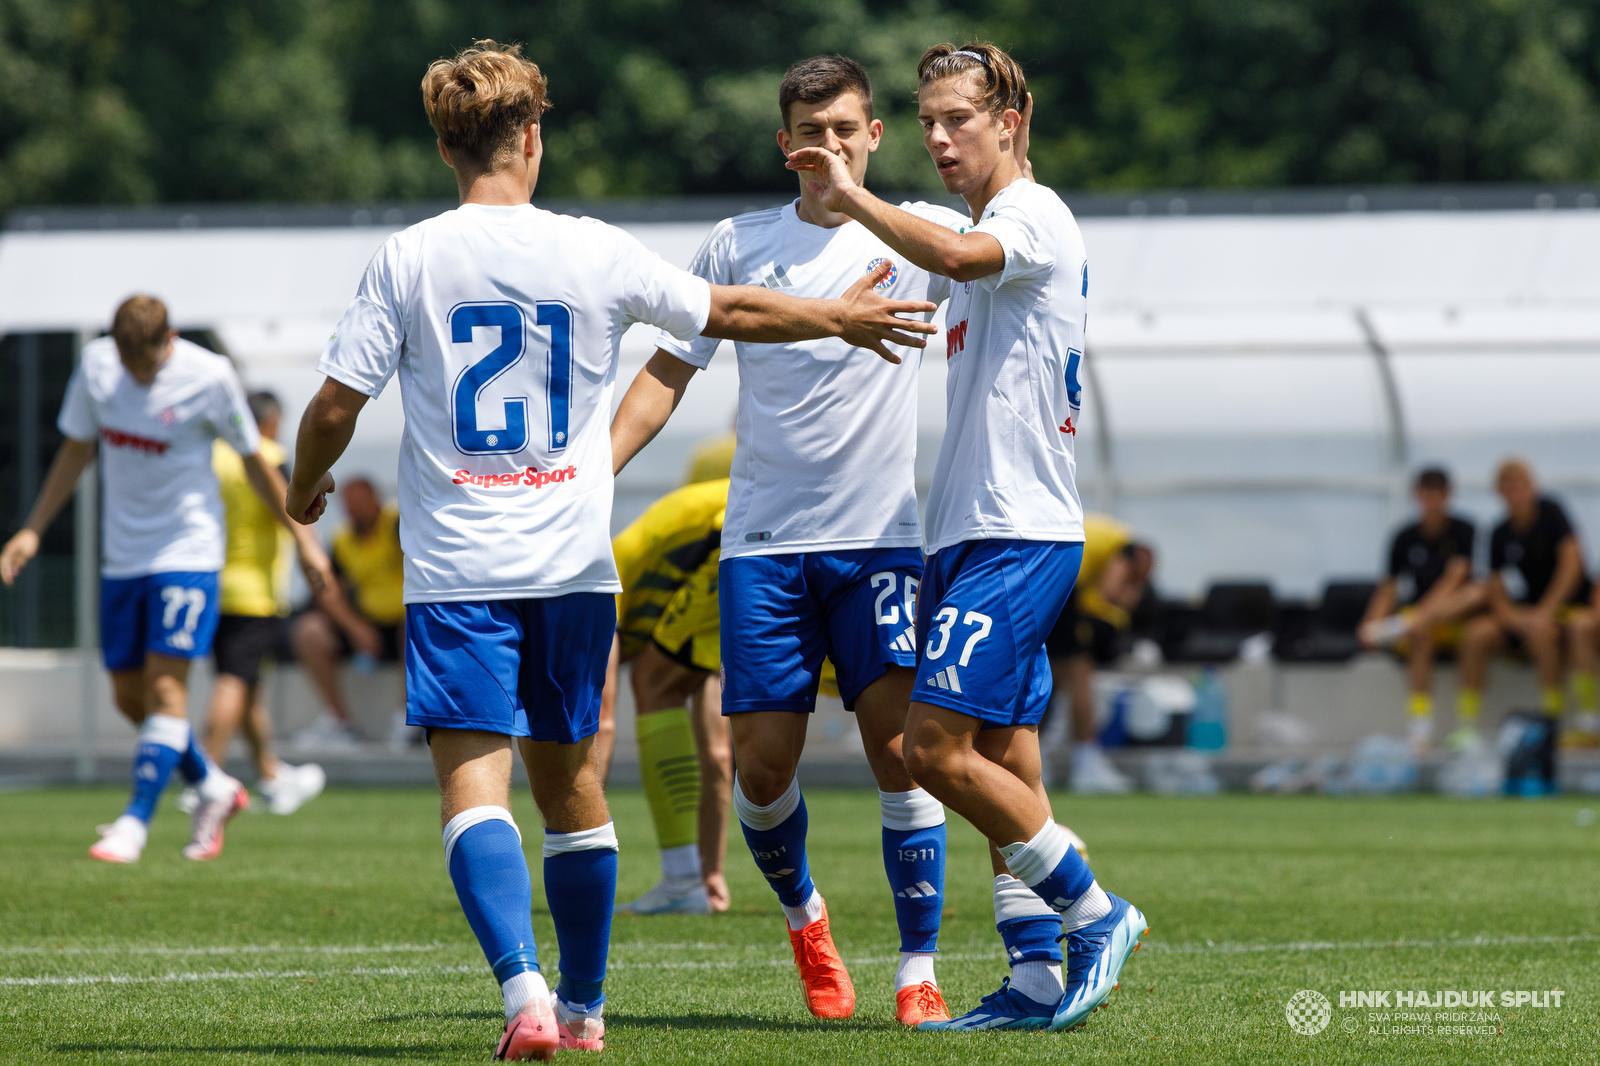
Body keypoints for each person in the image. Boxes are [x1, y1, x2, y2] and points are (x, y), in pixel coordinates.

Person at [284, 40, 935, 1061]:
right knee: (574, 791)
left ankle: (526, 993)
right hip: (574, 567)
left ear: (446, 146)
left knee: (473, 791)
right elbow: (725, 312)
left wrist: (301, 483)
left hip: (460, 568)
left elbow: (331, 405)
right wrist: (837, 316)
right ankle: (585, 1010)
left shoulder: (409, 256)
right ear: (533, 137)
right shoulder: (592, 247)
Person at [787, 41, 1148, 1033]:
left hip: (1016, 532)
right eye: (928, 122)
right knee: (1004, 755)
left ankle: (1094, 909)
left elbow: (945, 256)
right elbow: (916, 270)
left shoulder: (1030, 216)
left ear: (1011, 124)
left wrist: (853, 192)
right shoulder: (981, 226)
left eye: (959, 119)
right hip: (967, 535)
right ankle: (1034, 974)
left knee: (930, 749)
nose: (940, 138)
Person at [610, 54, 966, 1027]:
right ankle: (806, 920)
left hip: (880, 542)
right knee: (762, 769)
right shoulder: (736, 242)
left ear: (874, 135)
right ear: (785, 146)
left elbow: (1000, 278)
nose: (831, 150)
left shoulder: (918, 240)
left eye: (848, 131)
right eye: (813, 137)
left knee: (901, 749)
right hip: (764, 543)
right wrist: (590, 468)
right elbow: (666, 371)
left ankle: (915, 969)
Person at [0, 295, 335, 863]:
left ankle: (135, 821)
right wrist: (32, 528)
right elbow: (77, 449)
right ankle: (213, 784)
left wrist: (302, 538)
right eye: (130, 365)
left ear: (171, 340)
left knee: (165, 690)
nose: (138, 375)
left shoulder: (210, 376)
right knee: (131, 697)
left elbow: (255, 462)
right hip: (122, 559)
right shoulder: (99, 367)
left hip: (188, 551)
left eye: (148, 365)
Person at [198, 390, 331, 812]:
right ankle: (204, 775)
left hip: (211, 581)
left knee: (248, 685)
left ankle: (269, 774)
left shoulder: (214, 456)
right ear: (271, 422)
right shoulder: (269, 456)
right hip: (255, 590)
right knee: (234, 681)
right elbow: (296, 506)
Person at [605, 477, 733, 915]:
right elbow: (717, 754)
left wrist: (572, 843)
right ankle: (705, 877)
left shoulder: (593, 595)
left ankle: (682, 880)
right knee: (709, 732)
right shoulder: (660, 612)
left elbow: (600, 725)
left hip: (729, 532)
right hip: (762, 525)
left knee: (653, 685)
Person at [1460, 459, 1598, 748]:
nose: (1516, 493)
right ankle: (1467, 725)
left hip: (1563, 608)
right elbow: (1495, 590)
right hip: (1529, 614)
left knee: (1573, 628)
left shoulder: (1551, 512)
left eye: (1521, 485)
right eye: (1508, 487)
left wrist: (1545, 611)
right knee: (1476, 633)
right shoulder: (1498, 532)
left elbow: (1573, 563)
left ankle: (1574, 720)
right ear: (1499, 492)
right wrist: (1514, 619)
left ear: (1532, 485)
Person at [1358, 466, 1484, 755]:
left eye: (1437, 496)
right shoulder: (1404, 537)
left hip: (1455, 615)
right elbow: (1388, 587)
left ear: (1448, 497)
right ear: (1417, 496)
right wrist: (1371, 623)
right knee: (1420, 634)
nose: (1432, 503)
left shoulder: (1465, 530)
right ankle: (1420, 729)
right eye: (1426, 496)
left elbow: (1456, 578)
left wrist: (1418, 615)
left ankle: (1467, 725)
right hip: (1422, 624)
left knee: (1474, 596)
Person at [289, 476, 408, 747]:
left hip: (404, 620)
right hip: (366, 625)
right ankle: (340, 722)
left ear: (375, 499)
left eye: (359, 501)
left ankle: (405, 721)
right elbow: (328, 588)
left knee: (417, 624)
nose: (353, 509)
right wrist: (354, 627)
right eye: (348, 503)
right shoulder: (342, 538)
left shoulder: (397, 523)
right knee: (309, 631)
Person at [1043, 513, 1154, 792]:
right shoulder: (1123, 547)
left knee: (1053, 678)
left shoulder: (1107, 539)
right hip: (1058, 579)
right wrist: (1133, 595)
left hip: (1048, 576)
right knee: (1079, 671)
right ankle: (1086, 760)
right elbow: (1110, 593)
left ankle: (1038, 755)